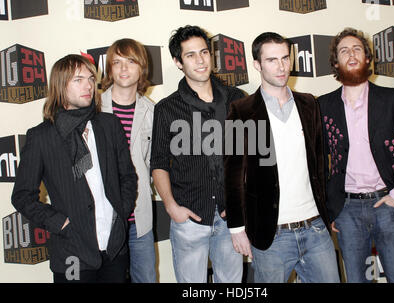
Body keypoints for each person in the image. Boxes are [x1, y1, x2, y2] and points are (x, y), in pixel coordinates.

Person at [224, 32, 340, 283]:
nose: (281, 66)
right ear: (257, 65)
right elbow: (233, 176)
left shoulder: (309, 104)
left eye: (285, 58)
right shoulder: (243, 111)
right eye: (271, 60)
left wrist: (328, 212)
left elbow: (320, 165)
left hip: (316, 228)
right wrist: (236, 229)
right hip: (272, 235)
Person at [11, 54, 137, 283]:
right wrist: (61, 223)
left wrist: (120, 212)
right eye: (78, 79)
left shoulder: (109, 125)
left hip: (114, 248)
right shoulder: (41, 137)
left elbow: (128, 177)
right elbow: (22, 196)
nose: (88, 85)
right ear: (60, 85)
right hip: (71, 253)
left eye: (91, 78)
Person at [317, 28, 394, 283]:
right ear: (335, 63)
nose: (351, 54)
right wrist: (329, 209)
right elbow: (318, 163)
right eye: (344, 51)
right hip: (347, 211)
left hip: (388, 206)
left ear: (368, 58)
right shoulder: (323, 106)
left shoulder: (392, 99)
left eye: (357, 49)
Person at [150, 25, 244, 283]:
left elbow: (247, 157)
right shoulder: (167, 109)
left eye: (204, 52)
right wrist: (171, 206)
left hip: (231, 218)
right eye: (190, 55)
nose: (200, 60)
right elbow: (158, 162)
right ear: (177, 62)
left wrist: (241, 202)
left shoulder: (237, 99)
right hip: (188, 218)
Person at [101, 38, 156, 283]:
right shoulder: (93, 108)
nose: (123, 69)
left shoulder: (152, 112)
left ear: (141, 68)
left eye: (131, 62)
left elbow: (157, 165)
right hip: (101, 221)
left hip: (139, 219)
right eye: (117, 62)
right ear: (109, 68)